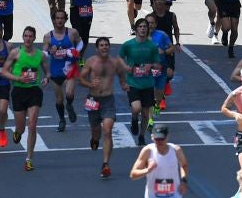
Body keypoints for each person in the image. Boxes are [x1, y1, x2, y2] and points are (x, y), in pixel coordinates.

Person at [2, 26, 49, 171]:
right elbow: (4, 71)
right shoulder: (15, 53)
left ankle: (29, 159)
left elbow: (48, 72)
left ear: (34, 38)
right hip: (19, 91)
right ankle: (17, 132)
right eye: (26, 36)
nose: (28, 39)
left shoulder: (40, 55)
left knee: (32, 125)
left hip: (34, 91)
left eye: (30, 36)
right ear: (23, 37)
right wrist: (18, 78)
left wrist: (46, 78)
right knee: (21, 128)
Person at [78, 36, 121, 178]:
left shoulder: (114, 62)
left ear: (109, 47)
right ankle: (94, 139)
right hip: (93, 100)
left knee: (107, 130)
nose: (104, 47)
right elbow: (80, 79)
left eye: (106, 45)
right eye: (101, 45)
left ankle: (105, 164)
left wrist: (124, 83)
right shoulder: (90, 61)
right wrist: (90, 84)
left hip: (108, 101)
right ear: (97, 48)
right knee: (96, 130)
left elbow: (122, 74)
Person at [119, 18, 163, 146]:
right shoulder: (128, 44)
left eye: (145, 26)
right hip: (133, 82)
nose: (143, 29)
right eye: (140, 26)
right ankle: (134, 119)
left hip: (148, 84)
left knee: (145, 114)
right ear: (136, 29)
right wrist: (126, 67)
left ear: (147, 29)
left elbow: (158, 65)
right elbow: (119, 58)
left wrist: (151, 66)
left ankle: (142, 135)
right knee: (136, 107)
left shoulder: (152, 46)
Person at [43, 10, 82, 130]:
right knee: (59, 100)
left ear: (65, 20)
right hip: (55, 71)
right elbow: (44, 54)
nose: (60, 20)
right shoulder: (48, 36)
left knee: (69, 93)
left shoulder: (72, 32)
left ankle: (69, 105)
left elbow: (80, 43)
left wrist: (75, 52)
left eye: (62, 18)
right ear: (54, 20)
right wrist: (51, 52)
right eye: (57, 18)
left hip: (69, 70)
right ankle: (62, 120)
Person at [128, 123, 188, 198]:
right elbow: (133, 175)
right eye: (157, 139)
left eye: (162, 139)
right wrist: (148, 170)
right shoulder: (147, 151)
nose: (159, 142)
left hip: (174, 195)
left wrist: (184, 181)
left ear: (167, 137)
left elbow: (184, 165)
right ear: (152, 137)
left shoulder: (176, 150)